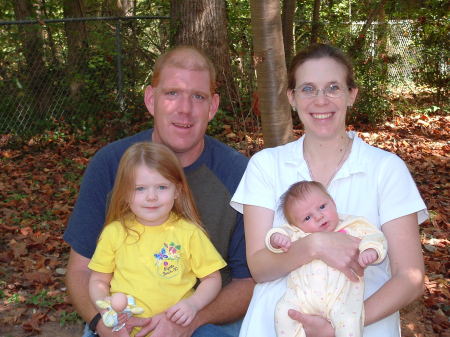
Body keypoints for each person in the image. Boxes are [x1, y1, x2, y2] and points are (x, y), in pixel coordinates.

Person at [231, 43, 427, 337]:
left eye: (333, 87)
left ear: (351, 95)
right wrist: (314, 245)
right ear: (292, 98)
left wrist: (344, 324)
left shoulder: (386, 169)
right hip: (277, 324)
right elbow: (260, 267)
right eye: (308, 89)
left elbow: (410, 277)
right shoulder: (266, 165)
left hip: (365, 326)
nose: (320, 100)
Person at [64, 45, 255, 337]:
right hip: (123, 318)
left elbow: (248, 282)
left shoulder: (238, 174)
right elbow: (81, 270)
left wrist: (190, 321)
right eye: (172, 93)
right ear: (151, 99)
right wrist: (101, 324)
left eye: (198, 97)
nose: (185, 109)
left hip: (207, 317)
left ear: (213, 107)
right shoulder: (111, 164)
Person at [88, 142, 226, 336]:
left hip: (178, 329)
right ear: (125, 193)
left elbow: (212, 278)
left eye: (162, 187)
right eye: (140, 189)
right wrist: (105, 309)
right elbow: (98, 280)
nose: (151, 197)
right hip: (126, 329)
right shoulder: (114, 233)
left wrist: (193, 304)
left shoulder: (189, 233)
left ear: (177, 190)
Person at [266, 180, 387, 337]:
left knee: (350, 322)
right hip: (302, 298)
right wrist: (277, 239)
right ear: (296, 224)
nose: (318, 216)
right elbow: (277, 234)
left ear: (333, 202)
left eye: (322, 207)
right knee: (283, 312)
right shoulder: (298, 233)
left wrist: (371, 250)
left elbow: (375, 237)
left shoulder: (353, 226)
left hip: (341, 300)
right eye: (307, 217)